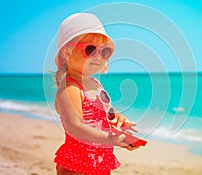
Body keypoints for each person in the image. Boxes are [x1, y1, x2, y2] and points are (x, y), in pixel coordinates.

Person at [53, 13, 138, 175]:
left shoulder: (96, 84)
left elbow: (106, 112)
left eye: (104, 51)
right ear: (67, 52)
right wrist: (110, 139)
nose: (98, 56)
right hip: (76, 165)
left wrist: (118, 119)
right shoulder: (70, 87)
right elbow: (74, 126)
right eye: (90, 49)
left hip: (100, 162)